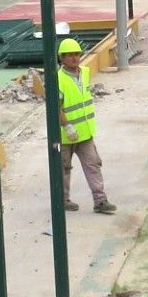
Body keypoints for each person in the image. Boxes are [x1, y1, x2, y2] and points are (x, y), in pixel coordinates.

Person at [57, 36, 116, 214]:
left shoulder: (85, 72)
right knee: (63, 168)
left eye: (76, 54)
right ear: (62, 58)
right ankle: (63, 200)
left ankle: (100, 201)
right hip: (65, 134)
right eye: (69, 55)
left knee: (93, 165)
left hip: (85, 132)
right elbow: (56, 107)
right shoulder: (57, 79)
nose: (74, 58)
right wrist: (67, 126)